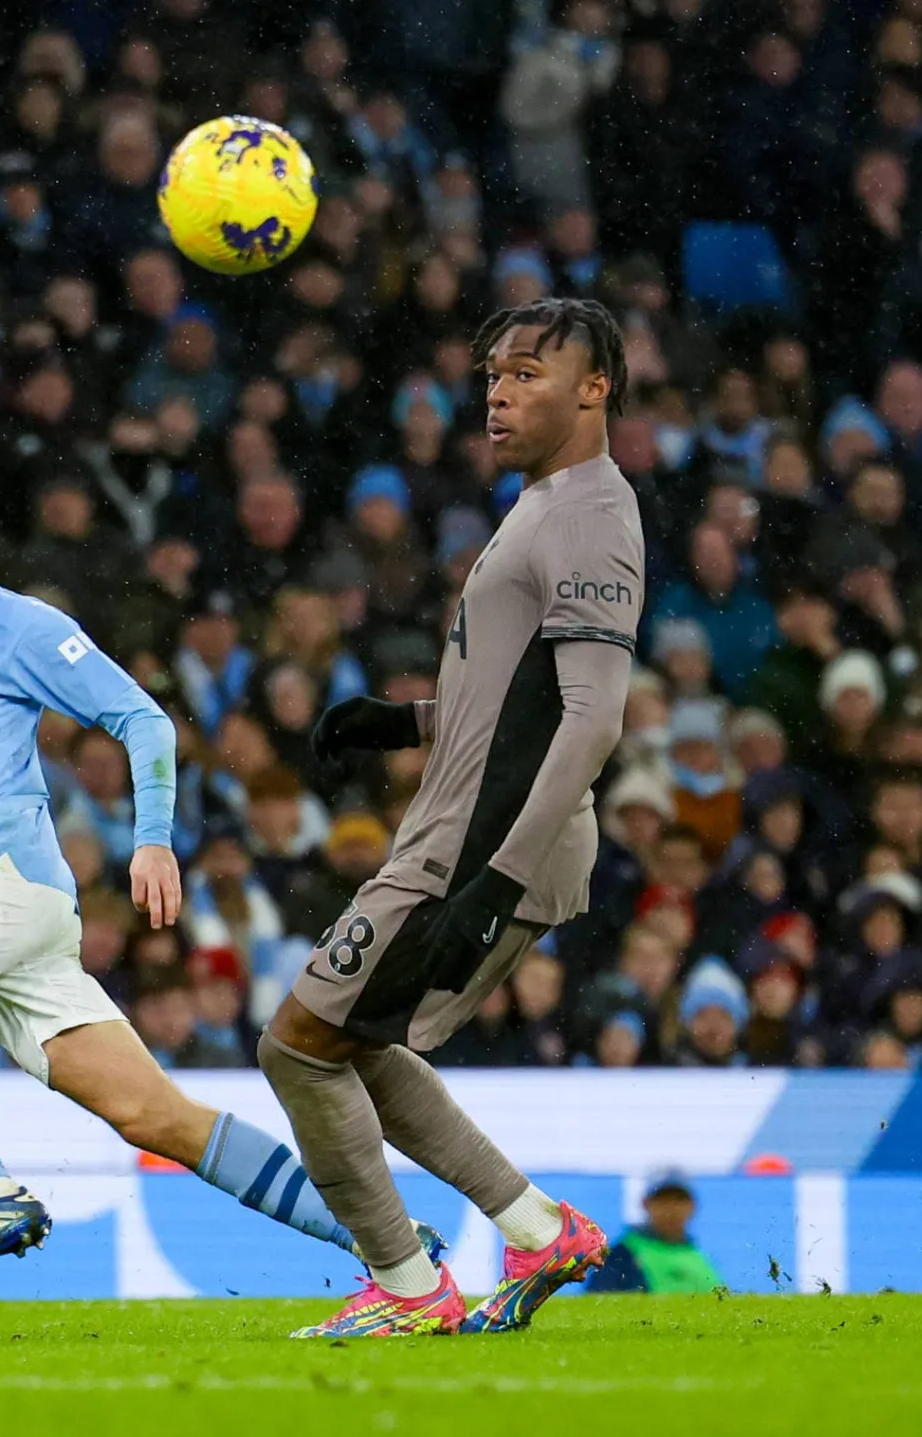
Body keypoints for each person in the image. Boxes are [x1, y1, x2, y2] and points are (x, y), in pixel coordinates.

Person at [0, 419, 426, 1293]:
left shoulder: (7, 620)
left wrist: (153, 838)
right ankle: (396, 1246)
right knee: (154, 1115)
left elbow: (142, 718)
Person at [269, 298, 640, 1338]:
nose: (499, 391)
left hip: (482, 845)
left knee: (298, 1046)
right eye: (493, 374)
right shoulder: (543, 504)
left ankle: (405, 1282)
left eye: (528, 372)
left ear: (595, 387)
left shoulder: (588, 516)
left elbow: (594, 717)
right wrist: (408, 722)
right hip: (460, 828)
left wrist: (494, 880)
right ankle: (535, 1227)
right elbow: (517, 698)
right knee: (357, 1044)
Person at [583, 1171, 726, 1294]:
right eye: (663, 1200)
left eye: (679, 1200)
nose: (672, 1209)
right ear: (645, 1204)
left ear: (692, 1206)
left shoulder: (697, 1257)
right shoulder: (622, 1257)